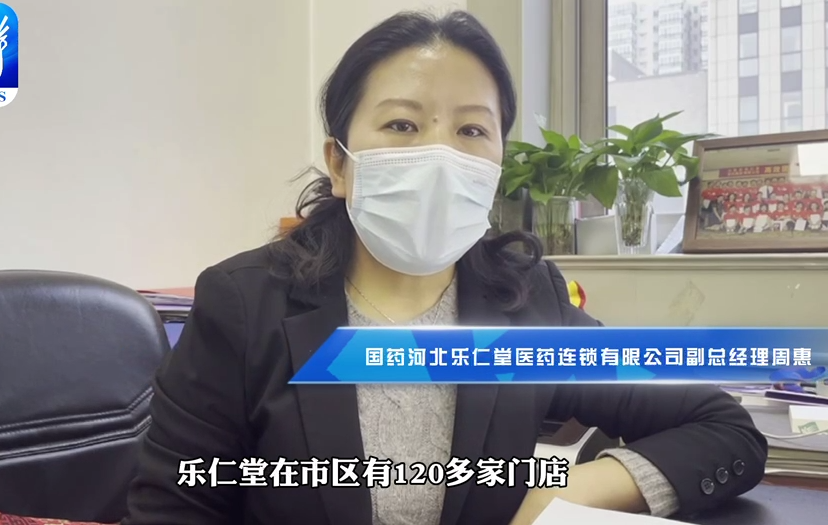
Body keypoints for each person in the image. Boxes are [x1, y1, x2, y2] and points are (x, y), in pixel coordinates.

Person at [122, 10, 767, 525]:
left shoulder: (527, 302)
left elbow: (724, 428)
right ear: (340, 163)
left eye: (471, 131)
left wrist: (573, 490)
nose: (439, 156)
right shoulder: (244, 305)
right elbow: (173, 508)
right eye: (402, 125)